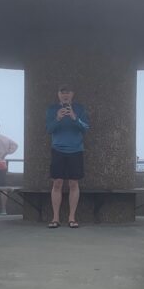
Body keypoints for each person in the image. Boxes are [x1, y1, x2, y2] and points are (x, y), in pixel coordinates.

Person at [46, 84, 90, 228]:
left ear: (72, 94)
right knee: (57, 182)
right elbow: (48, 129)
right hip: (57, 150)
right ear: (58, 94)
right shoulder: (52, 109)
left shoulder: (80, 108)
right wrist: (58, 118)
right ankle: (55, 218)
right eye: (62, 92)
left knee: (73, 183)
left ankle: (72, 217)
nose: (65, 95)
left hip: (76, 150)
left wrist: (74, 117)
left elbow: (85, 128)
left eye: (68, 92)